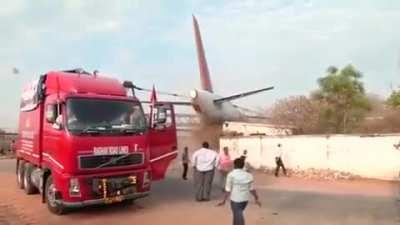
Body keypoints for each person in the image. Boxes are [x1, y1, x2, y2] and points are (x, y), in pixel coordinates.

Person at [217, 158, 261, 225]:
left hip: (235, 199)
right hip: (245, 199)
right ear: (243, 165)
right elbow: (252, 189)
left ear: (234, 165)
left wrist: (224, 200)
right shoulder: (249, 175)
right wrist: (256, 198)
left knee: (238, 215)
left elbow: (228, 190)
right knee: (237, 215)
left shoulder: (231, 175)